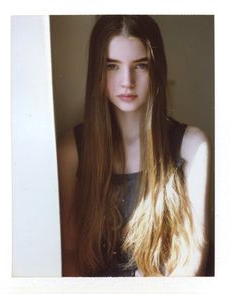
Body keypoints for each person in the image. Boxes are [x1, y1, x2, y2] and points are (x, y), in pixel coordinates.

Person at [57, 15, 211, 277]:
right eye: (112, 66)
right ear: (97, 71)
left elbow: (193, 257)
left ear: (156, 69)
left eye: (140, 65)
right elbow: (69, 256)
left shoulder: (192, 146)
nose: (126, 81)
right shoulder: (71, 150)